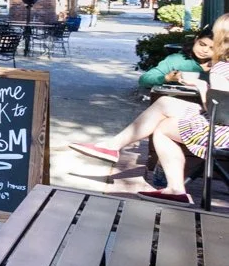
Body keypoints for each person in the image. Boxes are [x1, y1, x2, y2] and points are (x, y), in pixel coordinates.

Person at [70, 13, 229, 203]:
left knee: (162, 128)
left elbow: (220, 112)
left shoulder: (221, 68)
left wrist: (202, 88)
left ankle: (175, 188)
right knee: (164, 103)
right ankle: (113, 146)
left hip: (222, 131)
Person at [138, 27, 212, 93]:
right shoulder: (177, 60)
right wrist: (167, 78)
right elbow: (144, 79)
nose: (205, 50)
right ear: (196, 40)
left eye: (212, 48)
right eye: (202, 44)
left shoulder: (221, 65)